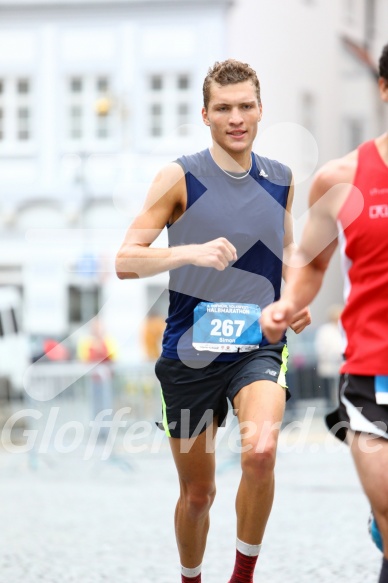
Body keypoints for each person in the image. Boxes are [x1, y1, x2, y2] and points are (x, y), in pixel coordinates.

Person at [116, 59, 310, 583]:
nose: (236, 118)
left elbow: (289, 253)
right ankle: (191, 577)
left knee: (262, 452)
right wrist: (189, 254)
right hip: (189, 352)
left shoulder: (281, 179)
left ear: (261, 110)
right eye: (223, 108)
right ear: (205, 114)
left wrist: (295, 298)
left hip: (259, 345)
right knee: (198, 495)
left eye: (246, 106)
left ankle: (242, 576)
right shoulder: (178, 177)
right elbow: (125, 260)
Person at [260, 44, 388, 583]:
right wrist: (289, 304)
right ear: (384, 88)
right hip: (375, 376)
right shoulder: (342, 178)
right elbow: (310, 263)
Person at [314, 304, 343, 406]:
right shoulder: (325, 331)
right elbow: (321, 349)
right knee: (330, 392)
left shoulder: (343, 329)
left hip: (341, 366)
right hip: (329, 366)